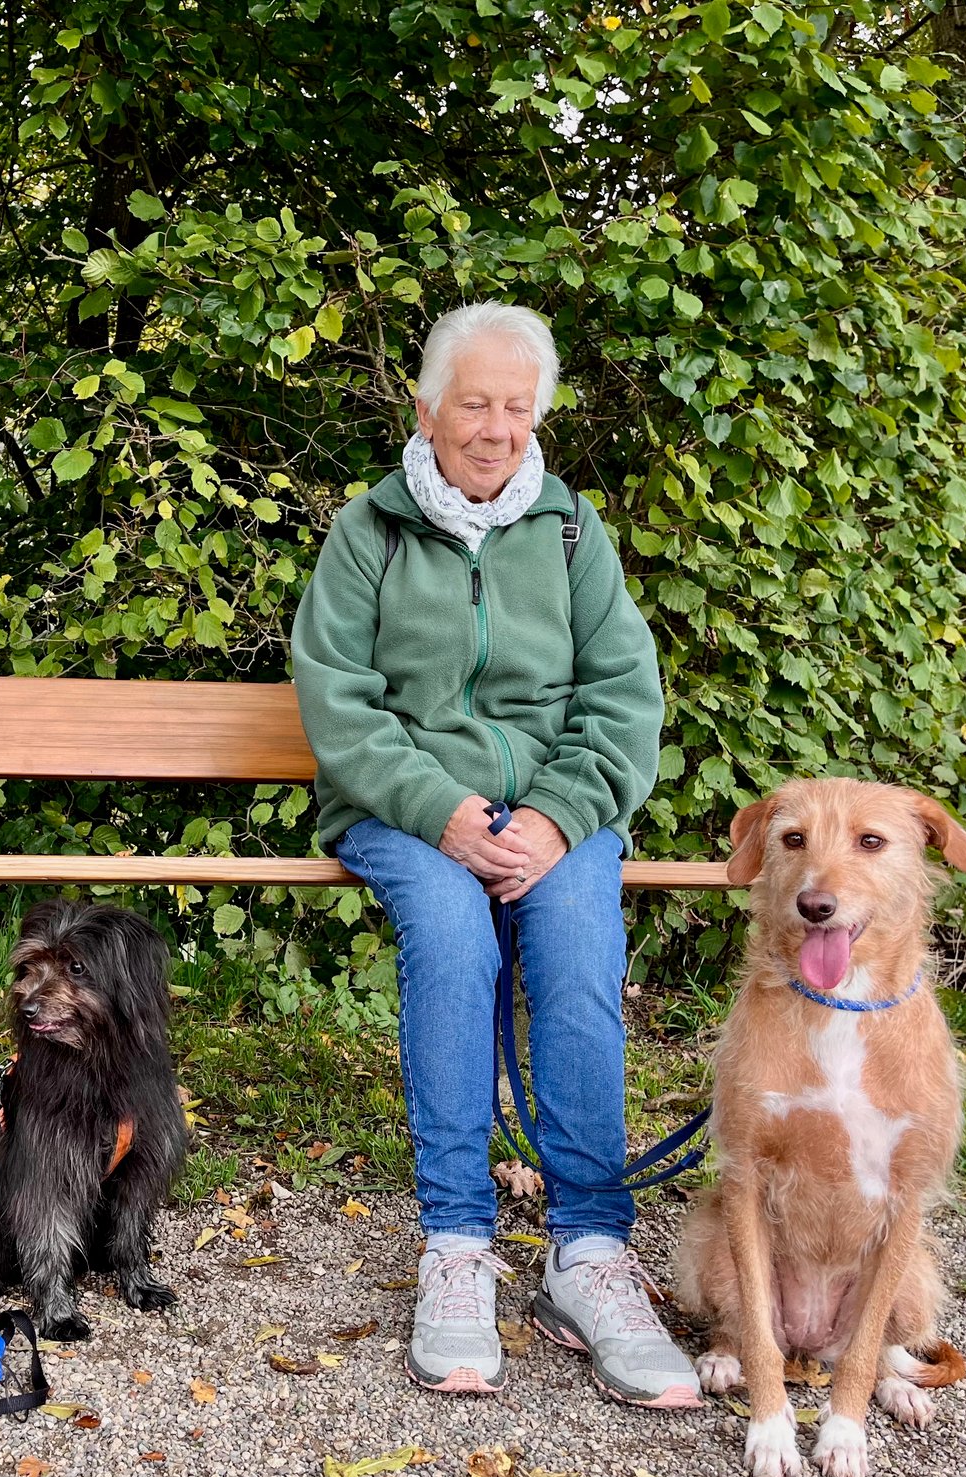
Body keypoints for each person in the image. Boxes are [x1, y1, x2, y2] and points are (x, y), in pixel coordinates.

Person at [290, 302, 700, 1409]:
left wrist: (559, 817)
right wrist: (442, 811)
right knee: (451, 938)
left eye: (517, 408)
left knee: (576, 945)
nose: (496, 429)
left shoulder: (569, 532)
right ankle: (458, 1243)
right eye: (474, 404)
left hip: (555, 813)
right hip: (403, 809)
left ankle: (589, 1254)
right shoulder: (368, 533)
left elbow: (623, 699)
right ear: (426, 408)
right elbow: (339, 704)